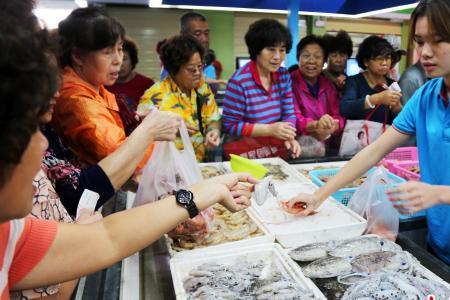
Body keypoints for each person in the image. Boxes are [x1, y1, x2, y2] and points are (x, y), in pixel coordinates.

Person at [0, 6, 257, 299]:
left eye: (119, 49)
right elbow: (73, 271)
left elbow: (106, 238)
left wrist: (206, 190)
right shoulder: (76, 99)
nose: (45, 146)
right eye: (31, 126)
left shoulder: (9, 234)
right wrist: (150, 135)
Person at [288, 0, 450, 265]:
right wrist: (318, 196)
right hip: (438, 243)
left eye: (439, 40)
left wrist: (440, 194)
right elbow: (374, 151)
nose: (426, 53)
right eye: (420, 42)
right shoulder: (425, 97)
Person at [52, 7, 153, 168]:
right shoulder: (75, 99)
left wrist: (137, 121)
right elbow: (121, 157)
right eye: (107, 52)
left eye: (119, 49)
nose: (118, 60)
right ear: (78, 56)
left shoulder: (94, 86)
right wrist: (151, 130)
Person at [222, 19, 301, 159]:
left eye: (282, 50)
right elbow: (230, 125)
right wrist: (269, 129)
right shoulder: (239, 81)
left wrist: (289, 136)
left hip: (274, 148)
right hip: (247, 152)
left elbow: (289, 112)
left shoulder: (283, 76)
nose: (277, 57)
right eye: (271, 49)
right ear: (256, 49)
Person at [138, 35, 221, 162]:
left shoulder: (202, 88)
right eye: (191, 69)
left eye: (200, 66)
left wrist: (213, 131)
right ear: (174, 69)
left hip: (199, 164)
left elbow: (213, 118)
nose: (198, 73)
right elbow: (141, 140)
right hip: (167, 169)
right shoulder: (153, 97)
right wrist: (170, 129)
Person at [291, 35, 345, 155]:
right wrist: (316, 125)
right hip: (297, 149)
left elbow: (339, 116)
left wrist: (331, 125)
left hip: (325, 148)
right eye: (306, 56)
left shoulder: (328, 85)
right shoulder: (289, 82)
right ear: (298, 58)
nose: (311, 61)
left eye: (317, 57)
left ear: (324, 61)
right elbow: (294, 118)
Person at [340, 36, 403, 125]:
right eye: (379, 58)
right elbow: (345, 109)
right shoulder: (354, 81)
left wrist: (397, 108)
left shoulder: (391, 84)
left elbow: (397, 120)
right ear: (366, 61)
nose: (384, 63)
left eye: (387, 58)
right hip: (359, 136)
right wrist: (376, 99)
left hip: (384, 137)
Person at [106, 36, 155, 134]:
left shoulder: (147, 84)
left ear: (132, 60)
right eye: (115, 59)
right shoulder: (104, 85)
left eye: (124, 59)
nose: (119, 63)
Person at [322, 30, 353, 94]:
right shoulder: (318, 78)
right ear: (326, 57)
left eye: (342, 55)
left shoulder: (351, 82)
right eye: (334, 55)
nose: (338, 60)